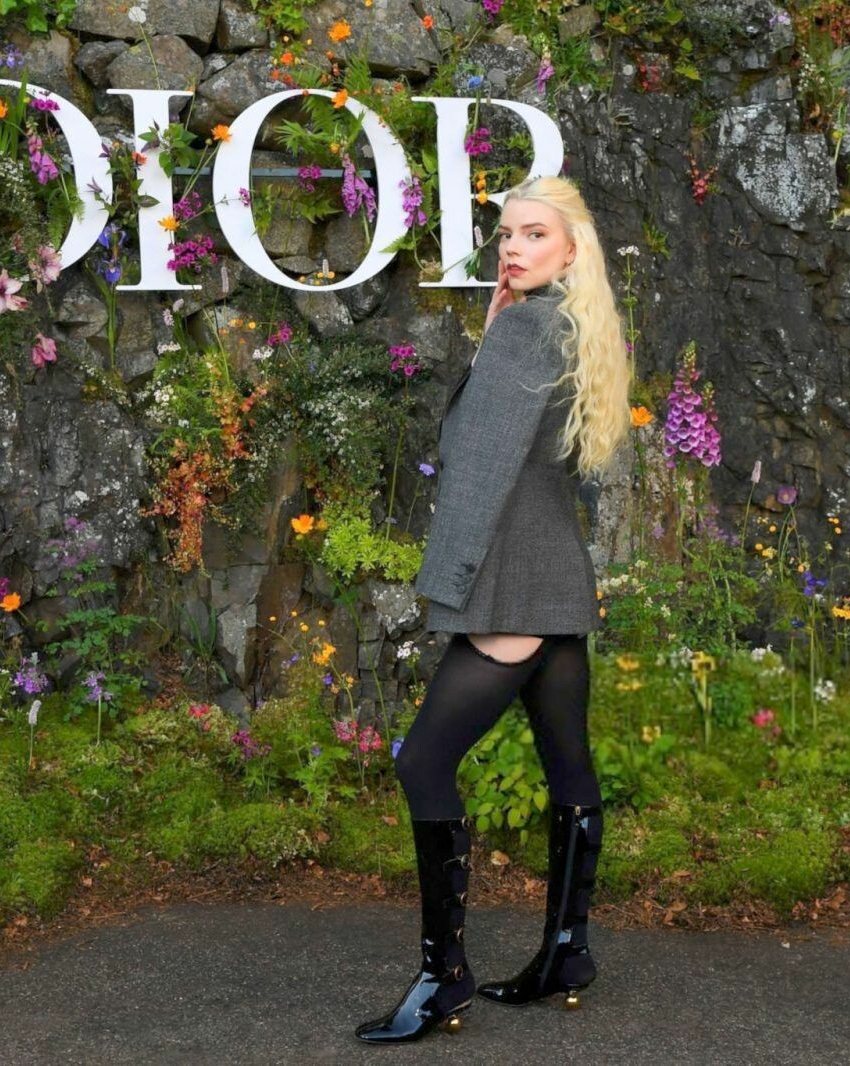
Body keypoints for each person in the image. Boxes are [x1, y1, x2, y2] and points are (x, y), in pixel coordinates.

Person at [354, 175, 634, 1044]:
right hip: (556, 578)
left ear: (570, 248)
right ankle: (566, 953)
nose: (513, 246)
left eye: (534, 234)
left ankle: (444, 978)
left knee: (423, 763)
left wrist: (452, 584)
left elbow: (473, 466)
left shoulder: (523, 329)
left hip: (512, 583)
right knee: (569, 765)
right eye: (507, 232)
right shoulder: (573, 325)